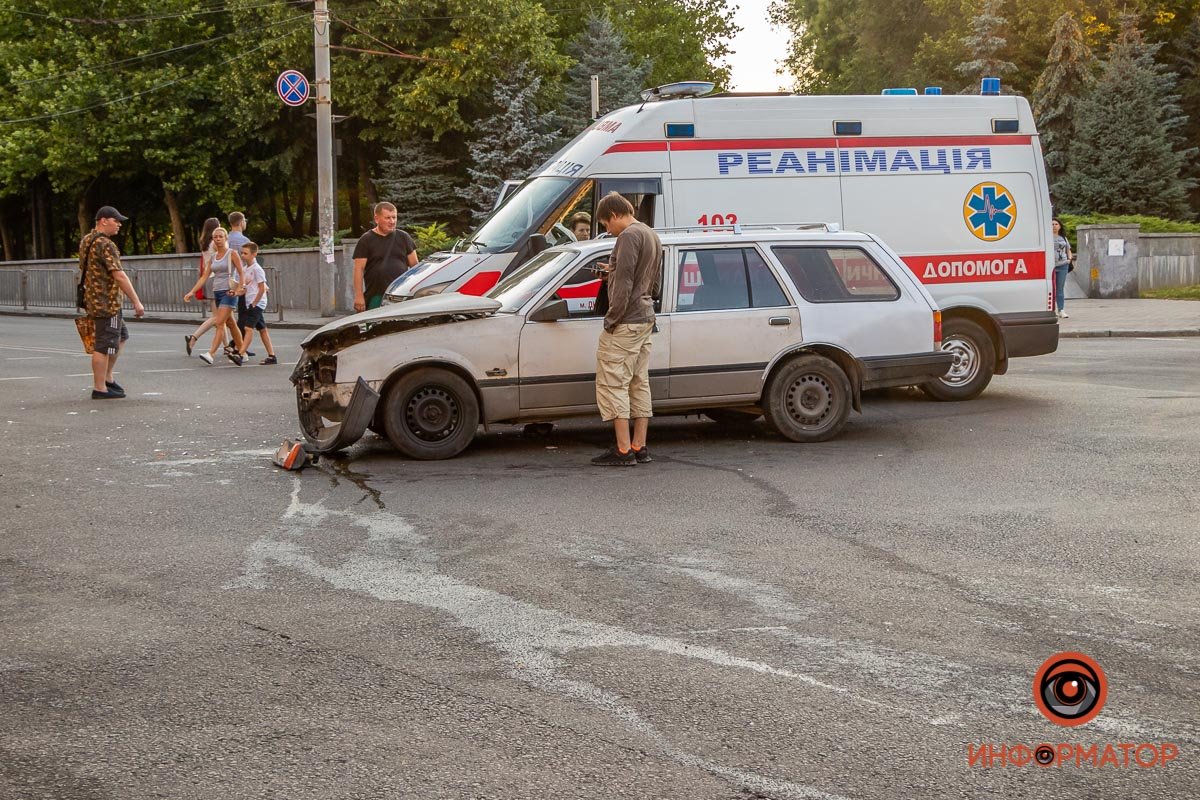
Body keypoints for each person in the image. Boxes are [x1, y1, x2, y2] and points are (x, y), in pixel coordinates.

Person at [591, 192, 660, 466]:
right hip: (645, 316)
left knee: (613, 382)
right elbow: (652, 280)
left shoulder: (628, 236)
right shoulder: (651, 234)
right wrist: (614, 270)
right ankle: (639, 445)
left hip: (626, 319)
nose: (608, 230)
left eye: (607, 223)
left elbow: (624, 284)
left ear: (616, 214)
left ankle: (622, 450)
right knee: (639, 382)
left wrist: (612, 318)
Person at [78, 206, 145, 399]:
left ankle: (107, 377)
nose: (119, 224)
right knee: (104, 344)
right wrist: (137, 302)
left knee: (120, 336)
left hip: (93, 300)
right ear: (104, 220)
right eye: (116, 221)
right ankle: (100, 388)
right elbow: (119, 275)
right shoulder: (106, 244)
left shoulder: (86, 240)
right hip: (107, 303)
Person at [183, 227, 245, 365]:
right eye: (215, 237)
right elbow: (204, 277)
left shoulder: (232, 254)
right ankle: (242, 352)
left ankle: (210, 354)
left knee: (219, 322)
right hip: (217, 292)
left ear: (225, 238)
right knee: (231, 323)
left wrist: (239, 289)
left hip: (229, 292)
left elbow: (241, 273)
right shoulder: (212, 257)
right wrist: (192, 292)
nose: (217, 239)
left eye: (220, 237)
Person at [352, 201, 418, 312]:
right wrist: (359, 296)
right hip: (376, 295)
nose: (392, 221)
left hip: (400, 295)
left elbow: (415, 268)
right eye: (387, 218)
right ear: (376, 219)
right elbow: (358, 269)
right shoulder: (366, 239)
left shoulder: (404, 237)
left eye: (394, 217)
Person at [234, 242, 278, 365]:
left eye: (245, 253)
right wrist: (235, 293)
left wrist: (254, 303)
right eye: (241, 253)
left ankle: (240, 354)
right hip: (250, 301)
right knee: (262, 329)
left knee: (248, 328)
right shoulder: (245, 269)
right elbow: (244, 287)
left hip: (257, 303)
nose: (242, 256)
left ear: (254, 254)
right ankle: (272, 356)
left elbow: (262, 288)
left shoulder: (257, 269)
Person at [183, 217, 222, 355]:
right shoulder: (215, 243)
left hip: (208, 280)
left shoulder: (204, 243)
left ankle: (228, 346)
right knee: (218, 318)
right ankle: (194, 337)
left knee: (222, 319)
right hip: (216, 279)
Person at [1052, 218, 1072, 319]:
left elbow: (1068, 249)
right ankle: (1051, 311)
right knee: (1051, 289)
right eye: (1052, 224)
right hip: (1051, 266)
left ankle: (1061, 310)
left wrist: (1069, 259)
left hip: (1063, 265)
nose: (1054, 226)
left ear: (1060, 226)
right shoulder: (1046, 237)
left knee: (1060, 289)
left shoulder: (1063, 237)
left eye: (1056, 224)